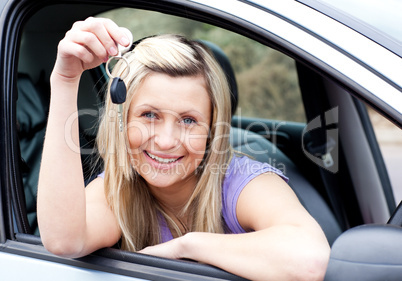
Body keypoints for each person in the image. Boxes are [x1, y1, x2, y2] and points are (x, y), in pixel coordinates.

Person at [37, 17, 330, 281]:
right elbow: (65, 241)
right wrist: (65, 80)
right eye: (149, 115)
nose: (166, 141)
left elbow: (309, 261)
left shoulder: (241, 181)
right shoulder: (118, 189)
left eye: (189, 121)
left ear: (212, 132)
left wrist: (187, 247)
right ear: (122, 121)